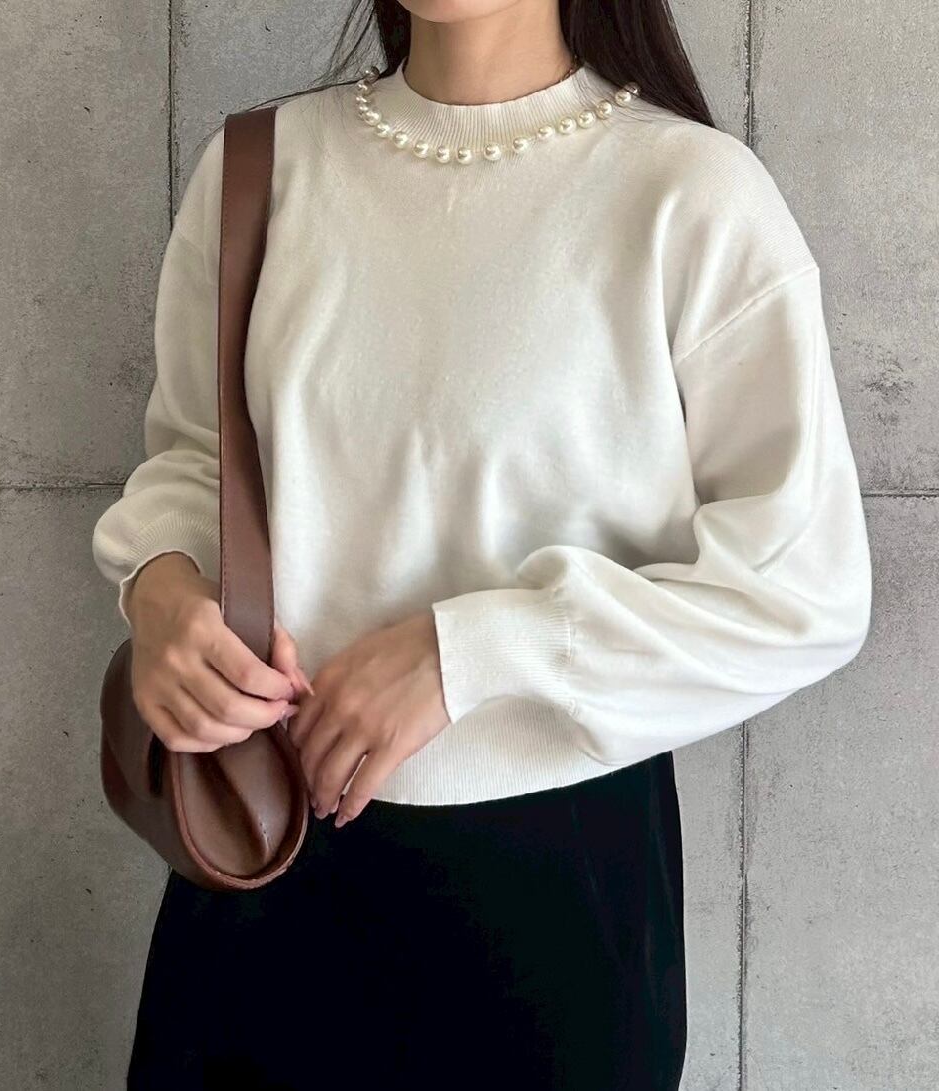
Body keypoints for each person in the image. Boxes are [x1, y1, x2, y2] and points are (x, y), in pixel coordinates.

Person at [91, 2, 872, 1088]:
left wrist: (469, 653)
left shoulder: (690, 193)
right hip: (259, 851)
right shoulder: (260, 166)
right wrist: (162, 590)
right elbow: (194, 456)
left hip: (552, 907)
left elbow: (803, 591)